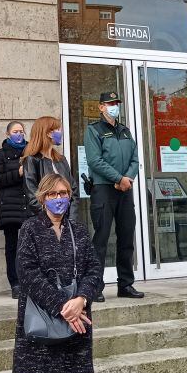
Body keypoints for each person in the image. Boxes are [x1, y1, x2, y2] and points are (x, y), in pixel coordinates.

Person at [13, 174, 101, 373]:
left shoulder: (79, 231)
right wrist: (64, 307)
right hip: (44, 321)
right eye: (53, 194)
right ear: (43, 198)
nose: (58, 199)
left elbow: (94, 269)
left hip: (77, 323)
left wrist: (82, 299)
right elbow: (28, 274)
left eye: (63, 193)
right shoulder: (30, 229)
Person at [84, 92, 143, 302]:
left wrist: (127, 177)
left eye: (116, 103)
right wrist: (118, 178)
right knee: (100, 239)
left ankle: (125, 284)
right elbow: (94, 160)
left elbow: (135, 158)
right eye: (110, 103)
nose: (114, 106)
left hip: (125, 190)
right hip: (103, 189)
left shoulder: (125, 131)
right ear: (101, 107)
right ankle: (95, 287)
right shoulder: (94, 130)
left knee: (126, 238)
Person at [0, 121, 30, 299]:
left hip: (29, 206)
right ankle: (15, 283)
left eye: (21, 131)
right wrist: (18, 173)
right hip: (10, 208)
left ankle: (30, 281)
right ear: (8, 134)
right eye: (15, 131)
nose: (19, 134)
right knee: (12, 247)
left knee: (31, 247)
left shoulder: (32, 152)